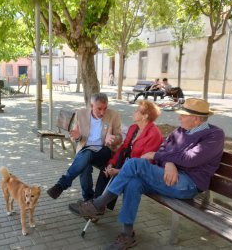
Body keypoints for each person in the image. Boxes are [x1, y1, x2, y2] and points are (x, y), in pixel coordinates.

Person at [72, 98, 224, 249]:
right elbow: (164, 150)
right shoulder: (181, 131)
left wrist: (159, 157)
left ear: (196, 119)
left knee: (134, 163)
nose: (179, 118)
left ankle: (98, 204)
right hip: (167, 177)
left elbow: (189, 159)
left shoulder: (214, 135)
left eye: (183, 115)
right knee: (133, 183)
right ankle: (127, 235)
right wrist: (169, 163)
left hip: (188, 184)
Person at [68, 100, 163, 213]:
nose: (134, 111)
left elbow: (144, 165)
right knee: (106, 169)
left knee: (115, 175)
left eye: (137, 110)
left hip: (139, 171)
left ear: (145, 116)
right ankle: (97, 205)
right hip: (126, 164)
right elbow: (123, 148)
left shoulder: (154, 134)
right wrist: (111, 163)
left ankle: (96, 206)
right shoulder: (134, 128)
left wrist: (119, 171)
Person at [47, 93, 123, 202]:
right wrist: (77, 137)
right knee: (85, 165)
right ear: (91, 106)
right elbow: (76, 136)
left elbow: (120, 137)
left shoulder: (113, 115)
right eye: (99, 109)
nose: (102, 112)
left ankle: (61, 185)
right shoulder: (81, 113)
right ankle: (89, 199)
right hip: (85, 150)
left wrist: (112, 139)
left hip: (104, 150)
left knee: (86, 154)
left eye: (105, 108)